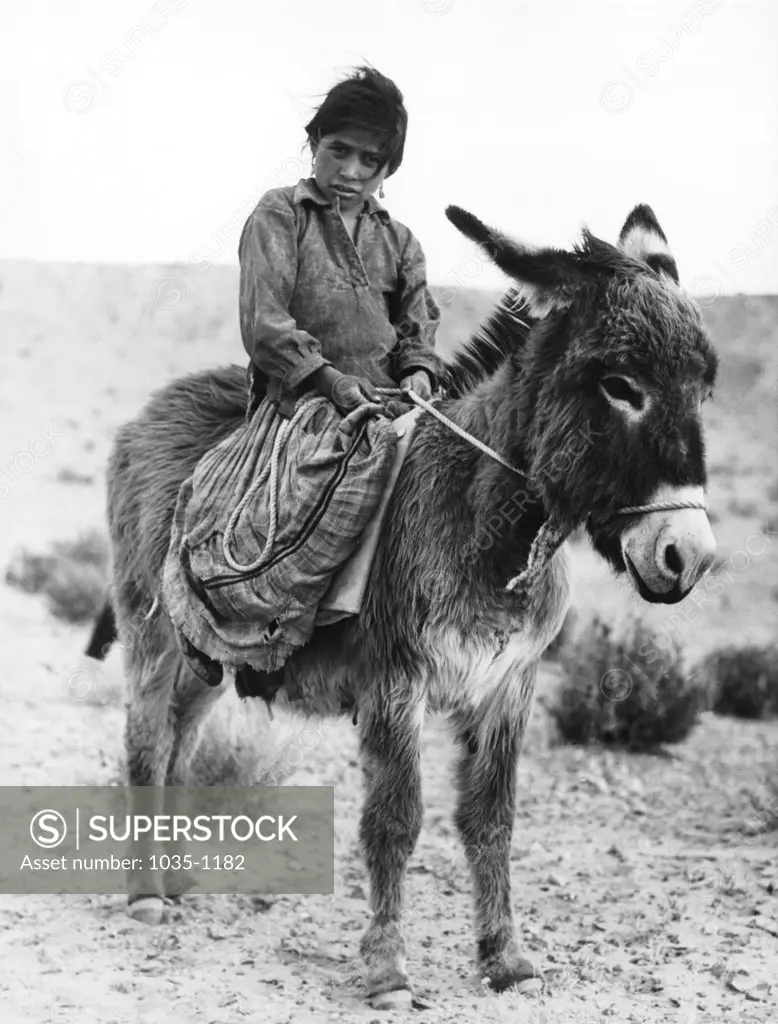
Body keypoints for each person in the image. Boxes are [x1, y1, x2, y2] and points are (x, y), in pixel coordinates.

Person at [238, 64, 447, 424]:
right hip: (300, 407)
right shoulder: (282, 213)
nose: (350, 171)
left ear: (389, 169)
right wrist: (329, 381)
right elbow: (265, 324)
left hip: (389, 407)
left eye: (370, 160)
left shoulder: (401, 241)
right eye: (339, 150)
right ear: (316, 143)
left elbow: (417, 329)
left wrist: (419, 372)